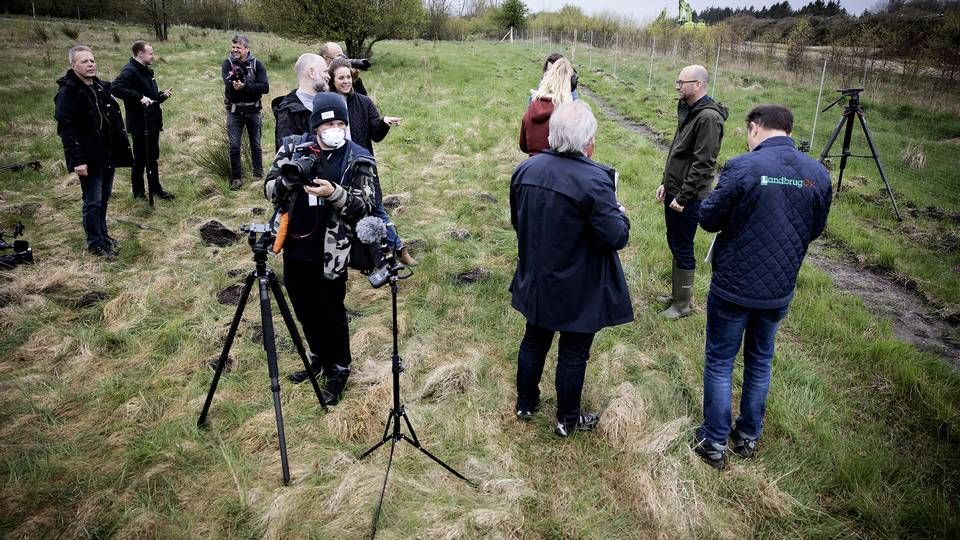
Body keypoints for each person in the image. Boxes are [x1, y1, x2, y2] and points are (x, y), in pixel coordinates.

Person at [692, 105, 832, 469]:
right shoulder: (817, 173)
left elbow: (708, 218)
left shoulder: (743, 166)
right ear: (788, 130)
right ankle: (748, 435)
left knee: (721, 360)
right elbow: (815, 228)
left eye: (747, 132)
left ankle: (714, 441)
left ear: (755, 128)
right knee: (760, 359)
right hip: (778, 288)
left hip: (734, 285)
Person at [510, 101, 633, 437]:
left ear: (552, 133)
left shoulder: (526, 170)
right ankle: (566, 418)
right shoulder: (595, 180)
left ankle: (526, 403)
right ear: (588, 140)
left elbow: (516, 221)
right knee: (574, 352)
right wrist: (620, 212)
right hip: (578, 282)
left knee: (534, 339)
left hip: (536, 274)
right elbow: (616, 236)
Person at [263, 93, 377, 404]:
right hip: (295, 247)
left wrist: (334, 193)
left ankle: (339, 369)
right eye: (329, 123)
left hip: (332, 252)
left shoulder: (358, 156)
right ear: (316, 127)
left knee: (331, 311)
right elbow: (269, 189)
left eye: (341, 123)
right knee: (303, 307)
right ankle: (317, 357)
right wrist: (288, 180)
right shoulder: (291, 148)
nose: (335, 128)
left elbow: (366, 204)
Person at [654, 64, 728, 319]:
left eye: (682, 82)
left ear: (698, 85)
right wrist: (666, 181)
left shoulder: (708, 117)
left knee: (683, 245)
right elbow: (677, 149)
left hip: (690, 197)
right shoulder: (689, 109)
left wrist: (683, 197)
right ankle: (676, 295)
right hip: (675, 190)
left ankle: (682, 306)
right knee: (674, 241)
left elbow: (704, 163)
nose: (677, 86)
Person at [328, 57, 416, 266]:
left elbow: (375, 134)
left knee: (376, 207)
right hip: (338, 168)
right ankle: (354, 257)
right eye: (341, 78)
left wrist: (383, 123)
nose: (346, 81)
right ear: (332, 80)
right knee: (343, 212)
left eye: (348, 77)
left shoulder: (363, 102)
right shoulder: (327, 103)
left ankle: (399, 249)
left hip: (363, 167)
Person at [55, 45, 133, 258]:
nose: (90, 64)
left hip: (107, 154)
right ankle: (95, 243)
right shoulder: (68, 93)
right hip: (89, 157)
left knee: (104, 197)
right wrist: (77, 160)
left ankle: (103, 235)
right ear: (73, 65)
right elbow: (67, 130)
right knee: (93, 200)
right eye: (84, 61)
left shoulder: (100, 88)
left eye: (92, 60)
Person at [111, 40, 175, 201]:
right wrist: (138, 97)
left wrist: (161, 96)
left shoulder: (144, 70)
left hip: (152, 121)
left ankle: (155, 189)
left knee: (152, 158)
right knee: (140, 159)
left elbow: (149, 96)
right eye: (151, 53)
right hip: (140, 124)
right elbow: (115, 88)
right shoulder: (130, 70)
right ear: (140, 54)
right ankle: (139, 193)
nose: (153, 56)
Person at [222, 34, 269, 190]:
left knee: (255, 144)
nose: (235, 50)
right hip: (234, 111)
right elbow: (229, 86)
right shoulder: (227, 64)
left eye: (238, 48)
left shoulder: (257, 64)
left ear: (246, 49)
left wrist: (246, 86)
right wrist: (237, 87)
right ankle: (236, 178)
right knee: (234, 145)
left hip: (254, 110)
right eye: (233, 47)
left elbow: (265, 87)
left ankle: (258, 174)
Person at [271, 53, 328, 153]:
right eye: (325, 71)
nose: (328, 76)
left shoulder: (325, 103)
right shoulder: (289, 113)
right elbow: (288, 155)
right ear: (312, 72)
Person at [519, 57, 576, 156]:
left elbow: (524, 146)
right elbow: (584, 151)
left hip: (533, 168)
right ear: (571, 83)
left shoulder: (529, 113)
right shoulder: (571, 117)